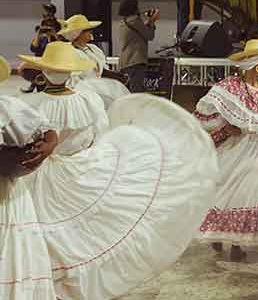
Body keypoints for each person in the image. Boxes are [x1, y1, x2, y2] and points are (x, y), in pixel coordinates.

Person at [18, 41, 219, 300]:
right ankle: (73, 280)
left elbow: (23, 141)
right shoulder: (88, 100)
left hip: (41, 174)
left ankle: (48, 279)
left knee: (43, 226)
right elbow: (99, 133)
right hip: (79, 167)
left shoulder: (34, 105)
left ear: (44, 72)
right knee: (83, 227)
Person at [194, 39, 258, 261]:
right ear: (257, 62)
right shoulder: (233, 86)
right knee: (236, 189)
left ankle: (238, 241)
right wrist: (226, 125)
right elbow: (207, 107)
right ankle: (229, 239)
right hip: (245, 146)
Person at [0, 55, 57, 300]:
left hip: (7, 191)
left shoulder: (5, 106)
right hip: (8, 191)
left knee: (11, 248)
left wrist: (48, 146)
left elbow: (46, 129)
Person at [57, 14, 130, 109]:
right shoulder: (70, 51)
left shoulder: (94, 49)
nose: (91, 32)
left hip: (100, 90)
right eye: (87, 30)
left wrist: (116, 76)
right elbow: (72, 79)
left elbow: (102, 69)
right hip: (82, 95)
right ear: (78, 34)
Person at [118, 0, 160, 93]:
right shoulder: (135, 20)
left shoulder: (124, 21)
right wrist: (152, 21)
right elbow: (149, 35)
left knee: (127, 92)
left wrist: (149, 21)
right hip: (135, 61)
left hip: (125, 62)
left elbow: (140, 31)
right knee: (136, 92)